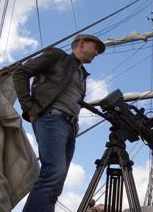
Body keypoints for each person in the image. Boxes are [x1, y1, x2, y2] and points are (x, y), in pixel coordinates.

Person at [12, 34, 105, 212]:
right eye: (95, 48)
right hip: (51, 118)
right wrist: (29, 108)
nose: (96, 53)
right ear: (82, 44)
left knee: (57, 182)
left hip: (69, 126)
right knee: (53, 173)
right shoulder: (57, 56)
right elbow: (20, 72)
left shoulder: (82, 75)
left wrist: (75, 123)